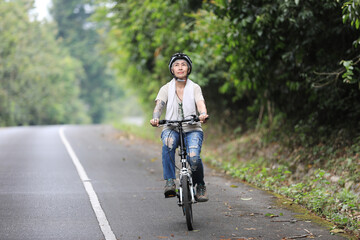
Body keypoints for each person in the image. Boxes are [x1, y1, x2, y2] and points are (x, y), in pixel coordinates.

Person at [150, 53, 209, 202]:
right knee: (168, 144)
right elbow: (159, 105)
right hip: (172, 127)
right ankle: (170, 181)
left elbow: (200, 103)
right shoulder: (166, 88)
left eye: (183, 64)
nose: (180, 67)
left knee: (194, 158)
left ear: (188, 68)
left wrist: (203, 114)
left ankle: (200, 185)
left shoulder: (195, 87)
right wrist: (156, 117)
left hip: (192, 128)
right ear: (172, 69)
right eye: (176, 65)